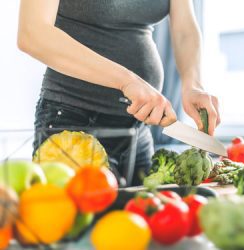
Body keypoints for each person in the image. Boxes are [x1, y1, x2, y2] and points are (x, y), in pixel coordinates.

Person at [17, 0, 220, 186]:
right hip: (73, 125)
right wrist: (126, 81)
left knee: (135, 222)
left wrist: (193, 84)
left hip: (138, 132)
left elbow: (184, 29)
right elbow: (32, 33)